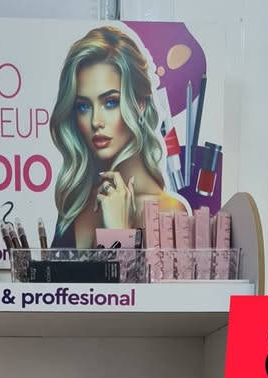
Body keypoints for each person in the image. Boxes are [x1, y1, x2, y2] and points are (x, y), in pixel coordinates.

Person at [49, 26, 186, 249]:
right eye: (83, 106)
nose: (95, 121)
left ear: (139, 104)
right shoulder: (75, 208)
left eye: (110, 102)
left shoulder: (169, 215)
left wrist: (118, 231)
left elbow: (125, 275)